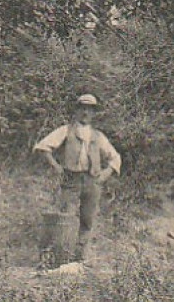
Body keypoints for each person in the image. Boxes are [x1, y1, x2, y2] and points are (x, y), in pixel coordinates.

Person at [34, 93, 121, 264]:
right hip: (71, 180)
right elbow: (43, 147)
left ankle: (80, 258)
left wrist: (105, 174)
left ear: (94, 113)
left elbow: (115, 157)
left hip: (92, 181)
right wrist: (57, 167)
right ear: (76, 110)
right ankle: (61, 256)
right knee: (66, 217)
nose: (85, 113)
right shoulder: (66, 130)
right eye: (82, 108)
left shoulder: (98, 136)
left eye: (89, 110)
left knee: (87, 218)